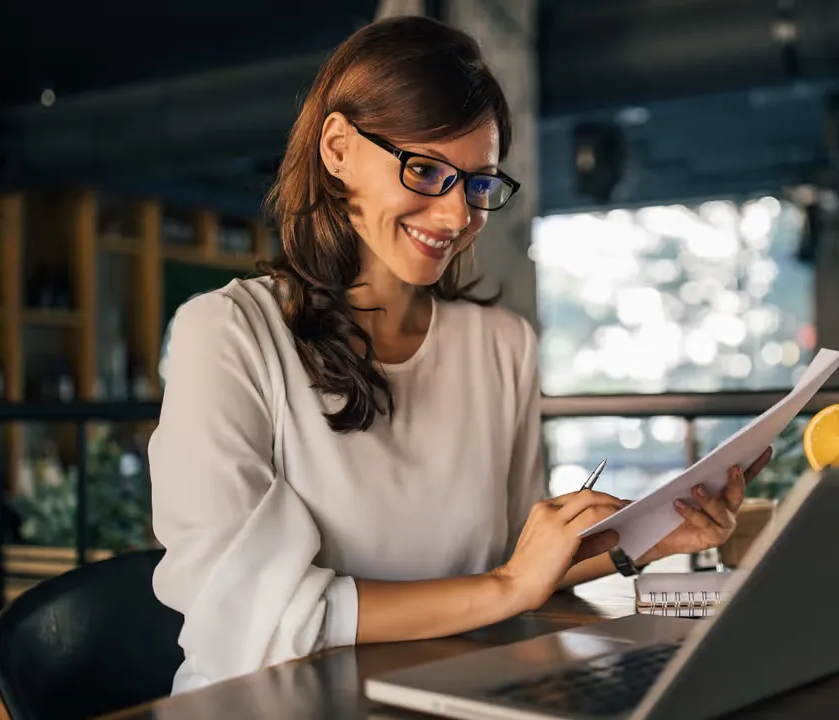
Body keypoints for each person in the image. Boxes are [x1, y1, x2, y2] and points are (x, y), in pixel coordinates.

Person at [148, 15, 772, 694]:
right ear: (337, 148)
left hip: (449, 692)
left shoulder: (502, 345)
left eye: (479, 183)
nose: (455, 216)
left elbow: (511, 568)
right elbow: (249, 608)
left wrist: (648, 539)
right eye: (425, 170)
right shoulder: (228, 334)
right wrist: (507, 585)